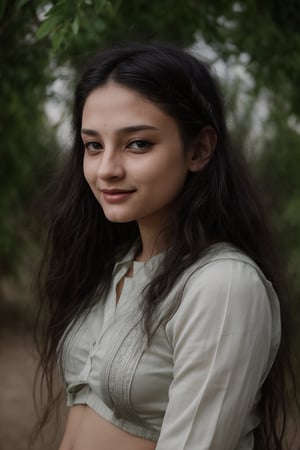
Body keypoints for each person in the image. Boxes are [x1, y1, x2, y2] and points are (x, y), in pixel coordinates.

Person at [35, 41, 296, 450]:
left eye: (137, 143)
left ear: (199, 149)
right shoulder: (116, 266)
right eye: (93, 145)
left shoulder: (222, 286)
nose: (106, 169)